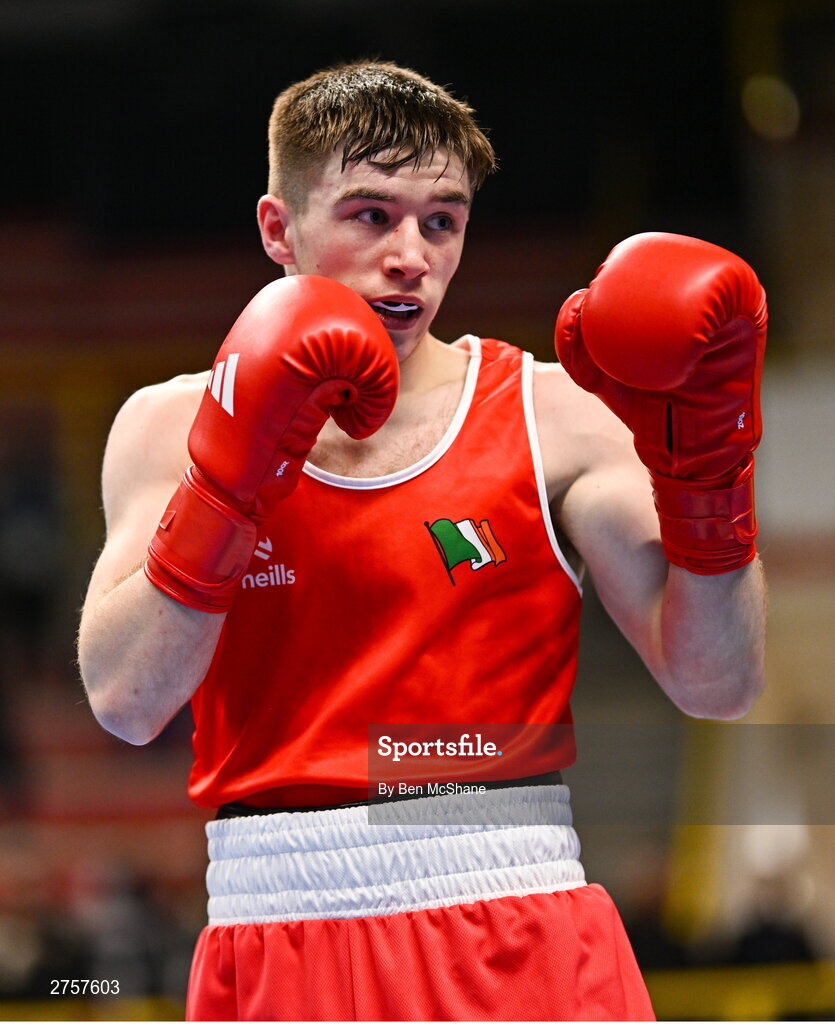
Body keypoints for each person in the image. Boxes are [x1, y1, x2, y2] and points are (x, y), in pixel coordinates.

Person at [77, 61, 767, 1021]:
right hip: (275, 925)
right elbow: (126, 700)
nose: (410, 254)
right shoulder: (171, 426)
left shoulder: (553, 415)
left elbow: (718, 683)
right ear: (278, 228)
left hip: (515, 914)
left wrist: (710, 480)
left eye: (440, 220)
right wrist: (227, 488)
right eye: (369, 215)